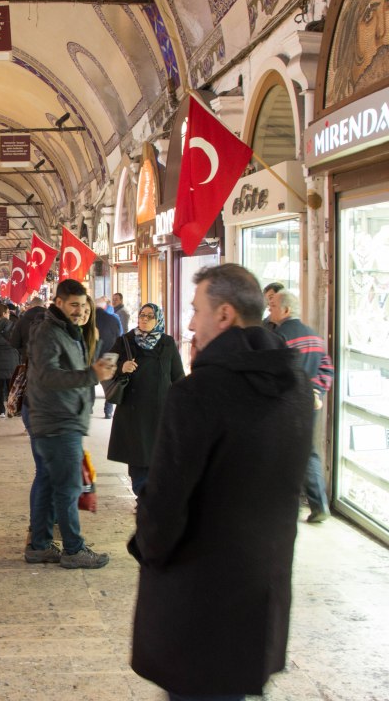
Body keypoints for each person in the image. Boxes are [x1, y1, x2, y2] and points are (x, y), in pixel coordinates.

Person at [129, 264, 312, 700]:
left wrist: (149, 548)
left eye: (197, 311)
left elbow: (167, 499)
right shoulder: (297, 385)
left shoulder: (198, 394)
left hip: (199, 590)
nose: (190, 323)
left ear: (225, 315)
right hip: (260, 585)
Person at [23, 279, 117, 569]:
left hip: (62, 418)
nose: (79, 311)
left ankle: (39, 546)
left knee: (51, 483)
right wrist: (92, 375)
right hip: (57, 420)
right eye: (73, 305)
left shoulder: (66, 331)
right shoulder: (49, 333)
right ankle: (74, 550)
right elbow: (48, 377)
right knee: (69, 487)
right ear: (59, 302)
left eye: (83, 305)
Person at [105, 303, 184, 497]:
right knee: (139, 459)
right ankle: (144, 499)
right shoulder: (125, 341)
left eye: (150, 316)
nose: (145, 319)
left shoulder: (167, 343)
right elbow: (104, 367)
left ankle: (153, 497)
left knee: (160, 457)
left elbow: (179, 377)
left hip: (161, 412)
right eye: (142, 315)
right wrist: (122, 366)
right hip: (133, 412)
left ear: (158, 320)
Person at [269, 290, 335, 523]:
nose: (270, 309)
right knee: (309, 451)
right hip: (309, 403)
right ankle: (319, 505)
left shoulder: (279, 338)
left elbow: (275, 374)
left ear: (286, 310)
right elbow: (327, 368)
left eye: (274, 305)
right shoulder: (314, 337)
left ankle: (287, 507)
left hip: (284, 404)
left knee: (283, 454)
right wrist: (317, 390)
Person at [92, 296, 122, 419]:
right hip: (110, 354)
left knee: (90, 381)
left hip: (94, 354)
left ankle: (89, 406)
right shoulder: (113, 319)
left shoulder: (90, 319)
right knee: (109, 383)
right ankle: (108, 411)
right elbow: (119, 335)